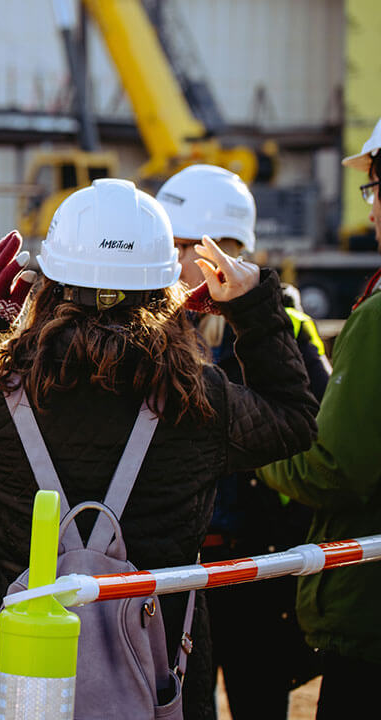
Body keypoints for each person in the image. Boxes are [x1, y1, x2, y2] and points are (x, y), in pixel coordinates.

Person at [0, 178, 318, 720]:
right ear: (166, 289)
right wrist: (254, 310)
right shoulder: (199, 401)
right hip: (160, 683)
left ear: (51, 284)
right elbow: (295, 420)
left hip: (24, 675)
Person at [157, 163, 328, 718]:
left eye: (185, 244)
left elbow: (312, 433)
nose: (174, 260)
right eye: (171, 243)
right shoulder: (155, 332)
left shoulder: (282, 330)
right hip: (177, 569)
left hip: (258, 564)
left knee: (259, 701)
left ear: (224, 249)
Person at [257, 116, 381, 719]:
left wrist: (262, 453)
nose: (372, 210)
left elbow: (335, 467)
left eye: (374, 189)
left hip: (371, 614)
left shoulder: (378, 317)